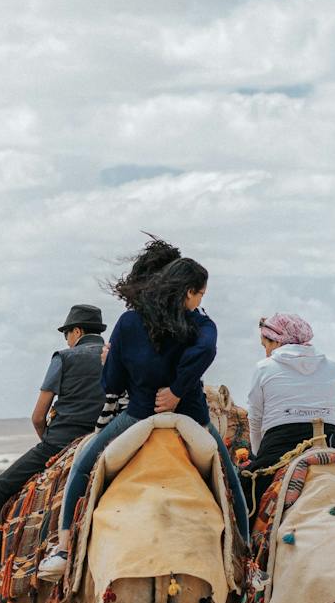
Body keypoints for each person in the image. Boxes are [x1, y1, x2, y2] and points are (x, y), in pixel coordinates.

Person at [38, 240, 250, 580]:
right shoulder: (199, 324)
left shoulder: (129, 323)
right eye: (199, 295)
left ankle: (63, 549)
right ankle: (246, 556)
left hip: (137, 416)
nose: (199, 302)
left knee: (81, 465)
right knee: (230, 478)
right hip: (191, 417)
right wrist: (179, 390)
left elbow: (112, 386)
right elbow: (207, 350)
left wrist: (110, 363)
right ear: (186, 291)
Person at [0, 303, 108, 600]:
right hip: (106, 441)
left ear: (77, 332)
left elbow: (37, 415)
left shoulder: (64, 358)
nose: (66, 340)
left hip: (61, 443)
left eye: (67, 334)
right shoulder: (114, 355)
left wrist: (49, 440)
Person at [246, 314, 335, 510]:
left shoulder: (264, 368)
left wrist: (258, 455)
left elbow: (255, 418)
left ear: (276, 342)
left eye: (265, 344)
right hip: (331, 439)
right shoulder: (334, 367)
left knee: (249, 494)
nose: (265, 351)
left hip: (280, 444)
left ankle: (250, 539)